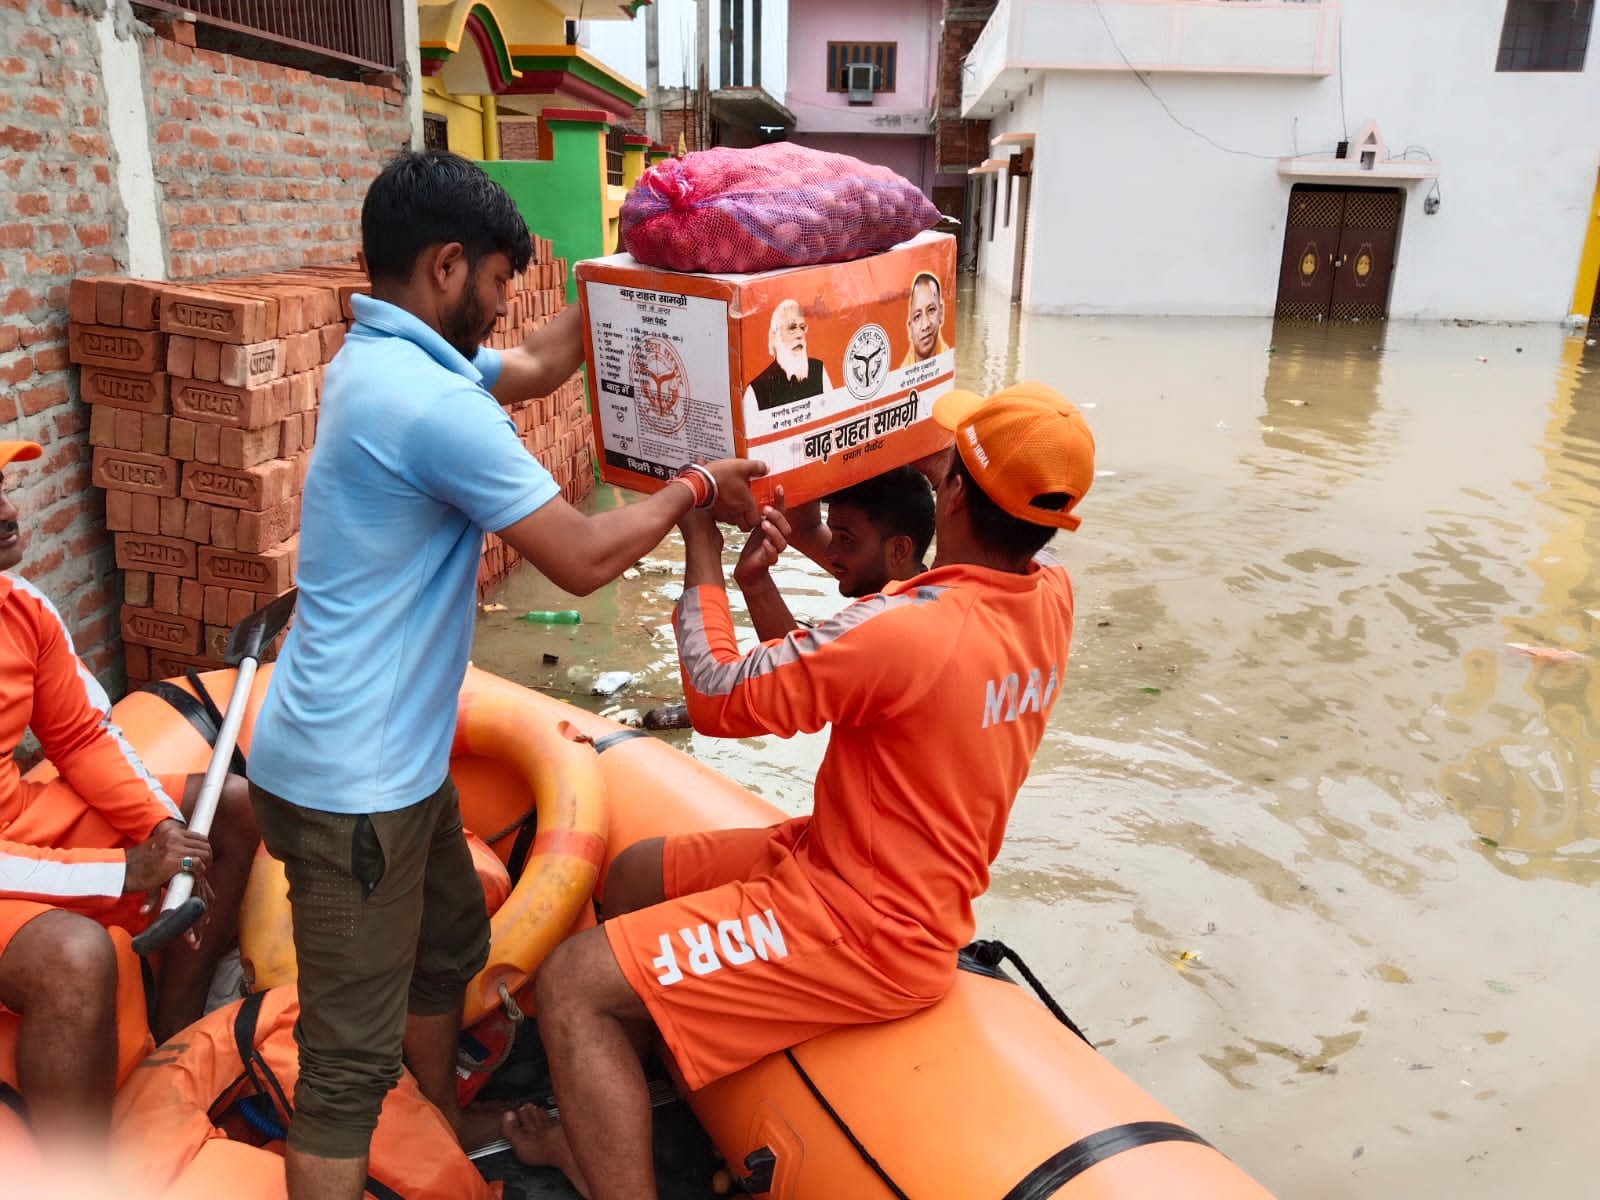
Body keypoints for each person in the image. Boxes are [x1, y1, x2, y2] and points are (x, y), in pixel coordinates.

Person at [242, 149, 766, 1200]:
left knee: (451, 939)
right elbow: (577, 556)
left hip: (385, 761)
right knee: (345, 1070)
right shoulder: (431, 408)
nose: (497, 308)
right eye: (492, 283)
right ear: (446, 266)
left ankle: (433, 1124)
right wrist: (697, 484)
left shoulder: (392, 355)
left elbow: (531, 364)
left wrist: (638, 270)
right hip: (353, 787)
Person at [529, 381, 1097, 1200]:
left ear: (958, 496)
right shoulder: (1050, 599)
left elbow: (720, 696)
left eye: (947, 469)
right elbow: (861, 657)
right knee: (632, 875)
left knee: (570, 986)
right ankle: (635, 1098)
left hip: (860, 929)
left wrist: (700, 541)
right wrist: (798, 548)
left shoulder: (912, 630)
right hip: (840, 862)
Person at [0, 439, 258, 1149]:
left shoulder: (20, 607)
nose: (8, 513)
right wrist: (123, 871)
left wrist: (167, 835)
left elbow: (83, 735)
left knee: (226, 808)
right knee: (75, 955)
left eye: (1, 487)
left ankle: (172, 1035)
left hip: (21, 826)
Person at [732, 465, 935, 642]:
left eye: (846, 539)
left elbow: (797, 679)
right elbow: (803, 528)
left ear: (899, 550)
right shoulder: (933, 592)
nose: (830, 552)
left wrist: (755, 583)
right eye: (833, 534)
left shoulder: (885, 632)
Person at [742, 299, 833, 413]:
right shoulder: (756, 391)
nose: (800, 334)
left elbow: (832, 413)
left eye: (802, 327)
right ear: (776, 335)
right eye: (792, 328)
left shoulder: (818, 370)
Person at [901, 271, 949, 367]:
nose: (925, 324)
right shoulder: (901, 373)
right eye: (917, 316)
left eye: (931, 310)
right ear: (910, 328)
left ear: (941, 313)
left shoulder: (948, 361)